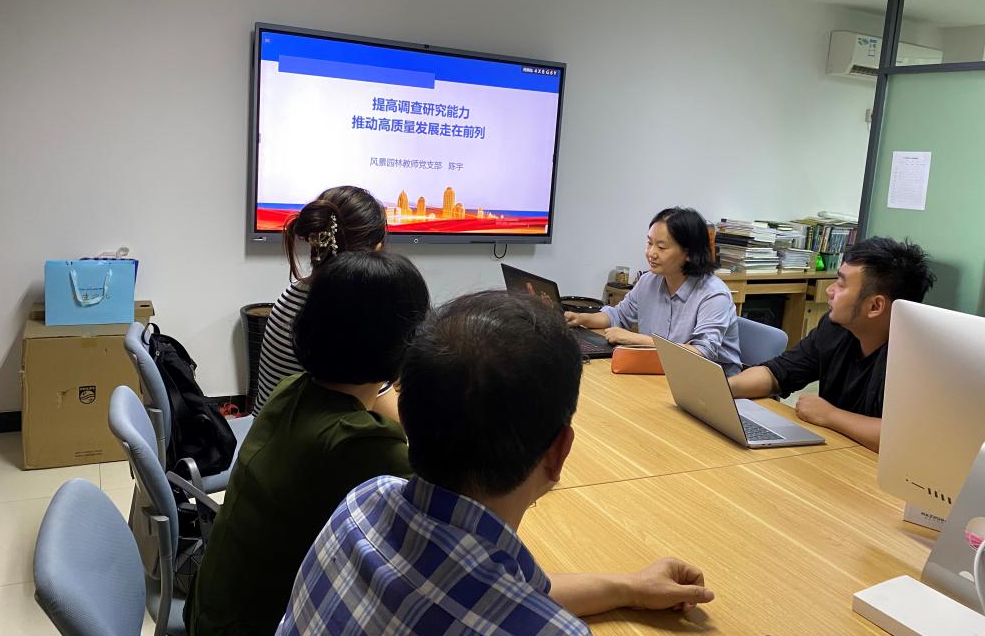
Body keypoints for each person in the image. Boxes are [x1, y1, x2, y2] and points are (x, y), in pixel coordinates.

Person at [276, 291, 714, 635]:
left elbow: (501, 594)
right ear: (559, 452)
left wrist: (630, 588)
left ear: (404, 412)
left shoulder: (364, 501)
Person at [186, 251, 430, 636]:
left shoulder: (292, 390)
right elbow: (447, 506)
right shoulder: (360, 445)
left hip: (211, 607)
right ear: (405, 343)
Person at [728, 237, 935, 452]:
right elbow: (777, 373)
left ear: (875, 306)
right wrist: (724, 388)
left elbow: (905, 439)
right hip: (835, 452)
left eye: (841, 284)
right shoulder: (835, 328)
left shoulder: (917, 358)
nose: (830, 290)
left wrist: (831, 416)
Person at [254, 185, 393, 415]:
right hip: (303, 437)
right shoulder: (345, 316)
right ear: (376, 251)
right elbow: (397, 420)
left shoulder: (295, 292)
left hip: (270, 429)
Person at [566, 206, 741, 375]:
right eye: (649, 243)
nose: (651, 253)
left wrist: (635, 339)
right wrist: (581, 318)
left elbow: (701, 353)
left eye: (661, 247)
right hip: (662, 371)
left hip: (709, 383)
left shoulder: (713, 295)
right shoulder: (648, 281)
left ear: (689, 253)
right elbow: (618, 315)